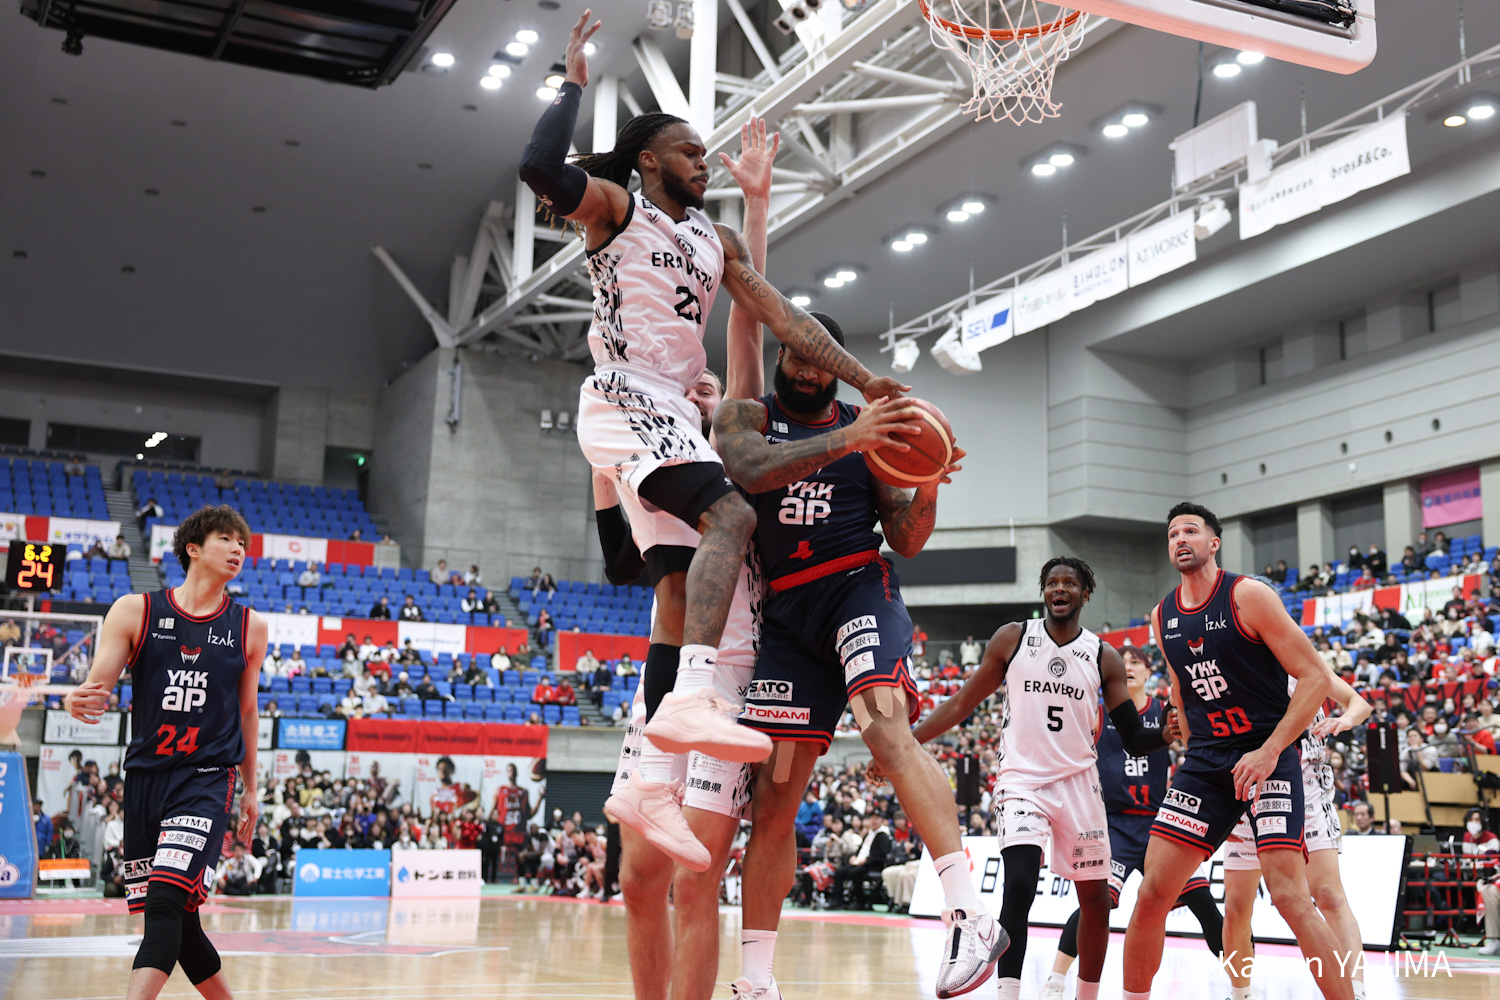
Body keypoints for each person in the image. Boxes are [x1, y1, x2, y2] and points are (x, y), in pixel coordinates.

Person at [520, 11, 906, 784]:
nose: (705, 161)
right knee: (728, 518)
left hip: (671, 417)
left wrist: (867, 382)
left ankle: (652, 774)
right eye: (691, 151)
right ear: (650, 160)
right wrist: (571, 85)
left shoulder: (713, 241)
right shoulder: (618, 209)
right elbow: (539, 168)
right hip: (626, 399)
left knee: (682, 575)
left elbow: (779, 317)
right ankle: (685, 704)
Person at [717, 312, 1002, 999]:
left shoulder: (868, 430)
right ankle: (757, 978)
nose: (808, 369)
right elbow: (750, 471)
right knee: (775, 797)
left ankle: (970, 917)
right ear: (782, 355)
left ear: (837, 365)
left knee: (883, 726)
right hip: (788, 618)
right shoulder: (748, 417)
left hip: (856, 590)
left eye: (822, 360)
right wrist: (853, 437)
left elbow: (906, 539)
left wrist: (927, 483)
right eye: (799, 356)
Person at [899, 560, 1175, 1000]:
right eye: (1051, 583)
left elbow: (1133, 737)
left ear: (1086, 593)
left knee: (1096, 902)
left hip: (1079, 784)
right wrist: (905, 744)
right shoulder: (1013, 638)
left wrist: (1165, 734)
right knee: (1020, 885)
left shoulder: (1102, 655)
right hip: (1022, 781)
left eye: (1069, 583)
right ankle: (1009, 994)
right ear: (1043, 591)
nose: (1059, 589)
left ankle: (1086, 994)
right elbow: (962, 702)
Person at [1121, 503, 1350, 1000]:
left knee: (1290, 897)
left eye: (1190, 531)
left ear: (1214, 543)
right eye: (1172, 534)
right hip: (1207, 763)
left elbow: (1314, 677)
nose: (1179, 539)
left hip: (1267, 756)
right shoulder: (1163, 615)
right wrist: (1182, 729)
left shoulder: (1247, 595)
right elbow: (1181, 685)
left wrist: (1269, 751)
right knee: (1153, 892)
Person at [63, 504, 264, 1000]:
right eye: (226, 539)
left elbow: (247, 713)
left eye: (242, 543)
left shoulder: (249, 626)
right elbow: (96, 687)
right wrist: (74, 699)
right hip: (146, 780)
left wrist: (252, 789)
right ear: (193, 548)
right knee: (182, 926)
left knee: (165, 906)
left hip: (207, 778)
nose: (237, 549)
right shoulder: (135, 610)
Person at [1038, 643, 1222, 1000]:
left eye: (1137, 662)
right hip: (1114, 826)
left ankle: (1241, 985)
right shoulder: (1096, 713)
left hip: (1160, 825)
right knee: (1097, 904)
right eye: (1122, 663)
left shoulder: (1164, 711)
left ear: (1150, 672)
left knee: (1204, 903)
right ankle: (1056, 979)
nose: (1129, 667)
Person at [1220, 630, 1374, 1000]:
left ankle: (1355, 991)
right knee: (1237, 907)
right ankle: (1240, 994)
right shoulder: (1237, 667)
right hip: (1251, 789)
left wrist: (1345, 719)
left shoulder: (1305, 663)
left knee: (1329, 894)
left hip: (1307, 791)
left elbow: (1359, 704)